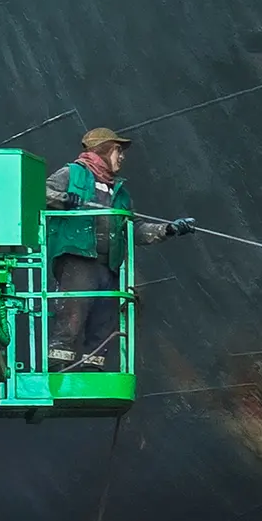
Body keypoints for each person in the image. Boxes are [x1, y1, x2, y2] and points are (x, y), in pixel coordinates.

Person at [43, 127, 195, 371]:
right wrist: (64, 200)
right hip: (78, 257)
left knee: (104, 319)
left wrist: (169, 229)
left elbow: (133, 229)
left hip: (109, 264)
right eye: (117, 150)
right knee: (73, 314)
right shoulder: (72, 174)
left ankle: (93, 368)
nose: (122, 156)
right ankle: (57, 366)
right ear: (102, 150)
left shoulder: (119, 192)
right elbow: (40, 193)